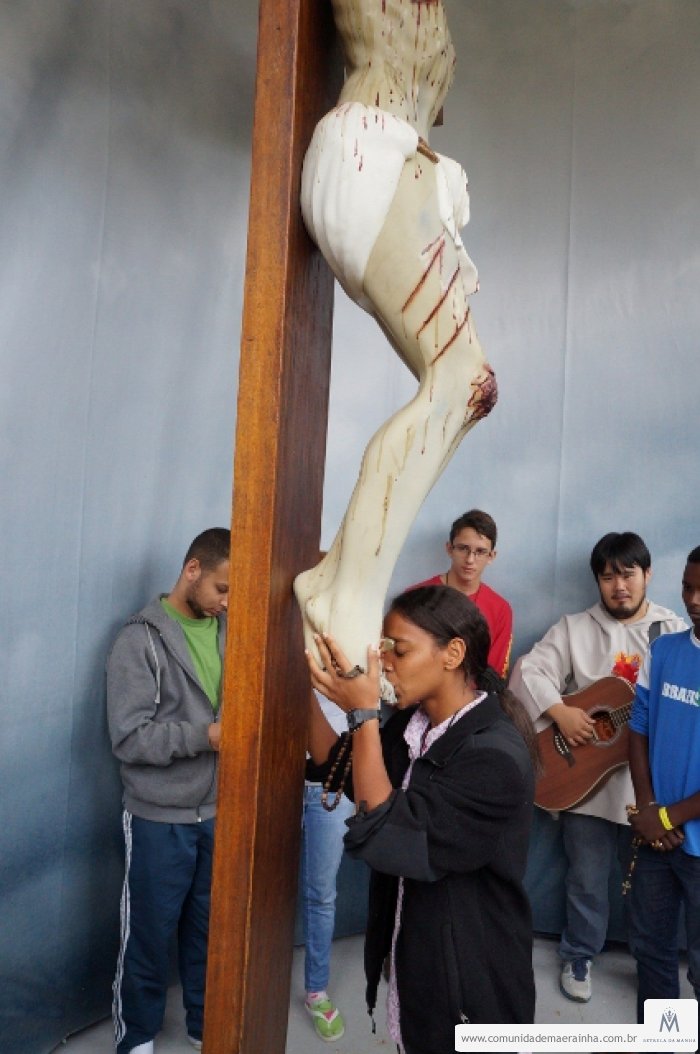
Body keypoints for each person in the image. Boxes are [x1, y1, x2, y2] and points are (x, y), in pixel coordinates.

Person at [294, 0, 497, 675]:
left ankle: (339, 585)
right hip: (374, 150)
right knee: (461, 382)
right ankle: (346, 597)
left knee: (470, 390)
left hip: (392, 156)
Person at [305, 585, 537, 1054]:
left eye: (400, 650)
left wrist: (364, 714)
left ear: (453, 654)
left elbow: (388, 834)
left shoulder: (494, 756)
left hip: (472, 986)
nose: (384, 662)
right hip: (418, 963)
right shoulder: (412, 727)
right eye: (383, 647)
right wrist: (300, 678)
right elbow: (339, 765)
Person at [509, 531, 686, 1004]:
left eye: (628, 574)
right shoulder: (574, 628)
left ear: (648, 575)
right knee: (586, 877)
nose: (619, 586)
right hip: (585, 780)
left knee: (655, 882)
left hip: (652, 784)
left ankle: (653, 965)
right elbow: (528, 671)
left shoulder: (673, 632)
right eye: (608, 577)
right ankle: (580, 954)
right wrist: (561, 713)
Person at [107, 528, 230, 1054]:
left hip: (219, 811)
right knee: (150, 934)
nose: (227, 603)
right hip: (158, 816)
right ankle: (136, 1035)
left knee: (209, 930)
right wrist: (206, 736)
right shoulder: (138, 639)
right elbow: (129, 737)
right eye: (222, 589)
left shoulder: (232, 632)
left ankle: (205, 1022)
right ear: (192, 570)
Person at [627, 545, 700, 1021]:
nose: (694, 600)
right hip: (657, 839)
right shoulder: (664, 650)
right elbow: (638, 729)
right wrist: (648, 808)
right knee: (651, 956)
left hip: (684, 837)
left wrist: (669, 816)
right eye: (688, 587)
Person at [301, 692, 354, 1042]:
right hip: (270, 772)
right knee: (257, 889)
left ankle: (316, 991)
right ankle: (252, 982)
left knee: (321, 895)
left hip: (331, 781)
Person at [410, 509, 513, 677]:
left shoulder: (500, 609)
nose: (470, 559)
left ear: (491, 556)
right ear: (449, 549)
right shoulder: (416, 597)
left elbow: (491, 676)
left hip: (474, 692)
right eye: (463, 548)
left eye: (480, 551)